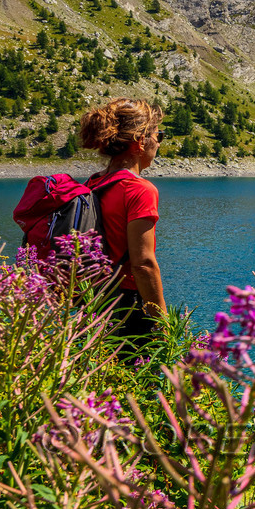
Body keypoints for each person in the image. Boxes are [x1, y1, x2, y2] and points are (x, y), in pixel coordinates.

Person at [78, 98, 167, 340]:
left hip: (95, 300)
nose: (159, 143)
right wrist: (163, 324)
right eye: (158, 136)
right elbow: (143, 264)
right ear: (140, 141)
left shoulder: (93, 182)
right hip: (127, 305)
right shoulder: (139, 189)